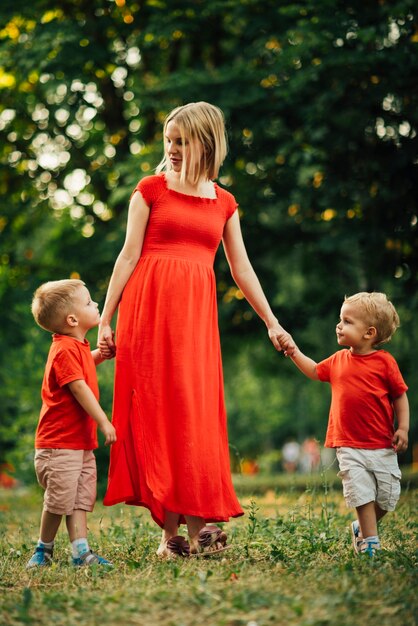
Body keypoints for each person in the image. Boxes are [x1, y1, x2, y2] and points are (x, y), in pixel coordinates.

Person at [98, 101, 294, 557]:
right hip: (148, 313)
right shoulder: (149, 190)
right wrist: (106, 318)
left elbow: (242, 269)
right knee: (157, 412)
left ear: (207, 143)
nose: (173, 149)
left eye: (182, 141)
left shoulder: (224, 202)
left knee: (194, 412)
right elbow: (127, 256)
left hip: (195, 319)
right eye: (169, 140)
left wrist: (272, 321)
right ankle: (172, 536)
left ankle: (201, 524)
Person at [284, 292, 409, 556]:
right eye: (340, 319)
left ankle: (361, 528)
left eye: (347, 321)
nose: (339, 325)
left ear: (369, 332)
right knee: (361, 493)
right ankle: (370, 542)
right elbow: (314, 370)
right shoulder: (339, 360)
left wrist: (403, 428)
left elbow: (400, 395)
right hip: (348, 444)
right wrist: (294, 351)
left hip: (381, 444)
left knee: (388, 497)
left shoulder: (385, 363)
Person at [26, 279, 117, 569]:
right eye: (90, 302)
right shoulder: (63, 349)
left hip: (78, 442)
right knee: (59, 499)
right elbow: (79, 387)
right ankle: (44, 549)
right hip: (59, 444)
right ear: (72, 319)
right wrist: (103, 420)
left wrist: (101, 354)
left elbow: (83, 366)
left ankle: (81, 551)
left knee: (80, 498)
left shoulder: (76, 346)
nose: (97, 305)